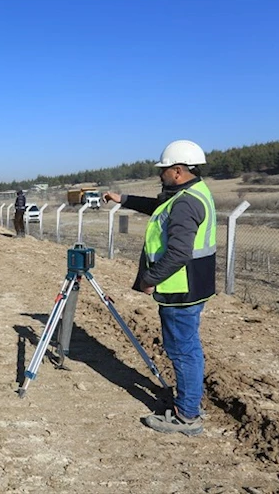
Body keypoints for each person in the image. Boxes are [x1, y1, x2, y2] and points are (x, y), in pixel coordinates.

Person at [103, 139, 216, 436]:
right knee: (188, 347)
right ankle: (189, 403)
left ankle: (187, 416)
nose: (160, 174)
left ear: (178, 171)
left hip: (180, 289)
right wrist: (123, 198)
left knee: (182, 350)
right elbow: (159, 207)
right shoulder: (192, 193)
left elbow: (179, 253)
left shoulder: (185, 203)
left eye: (164, 170)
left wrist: (150, 279)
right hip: (195, 285)